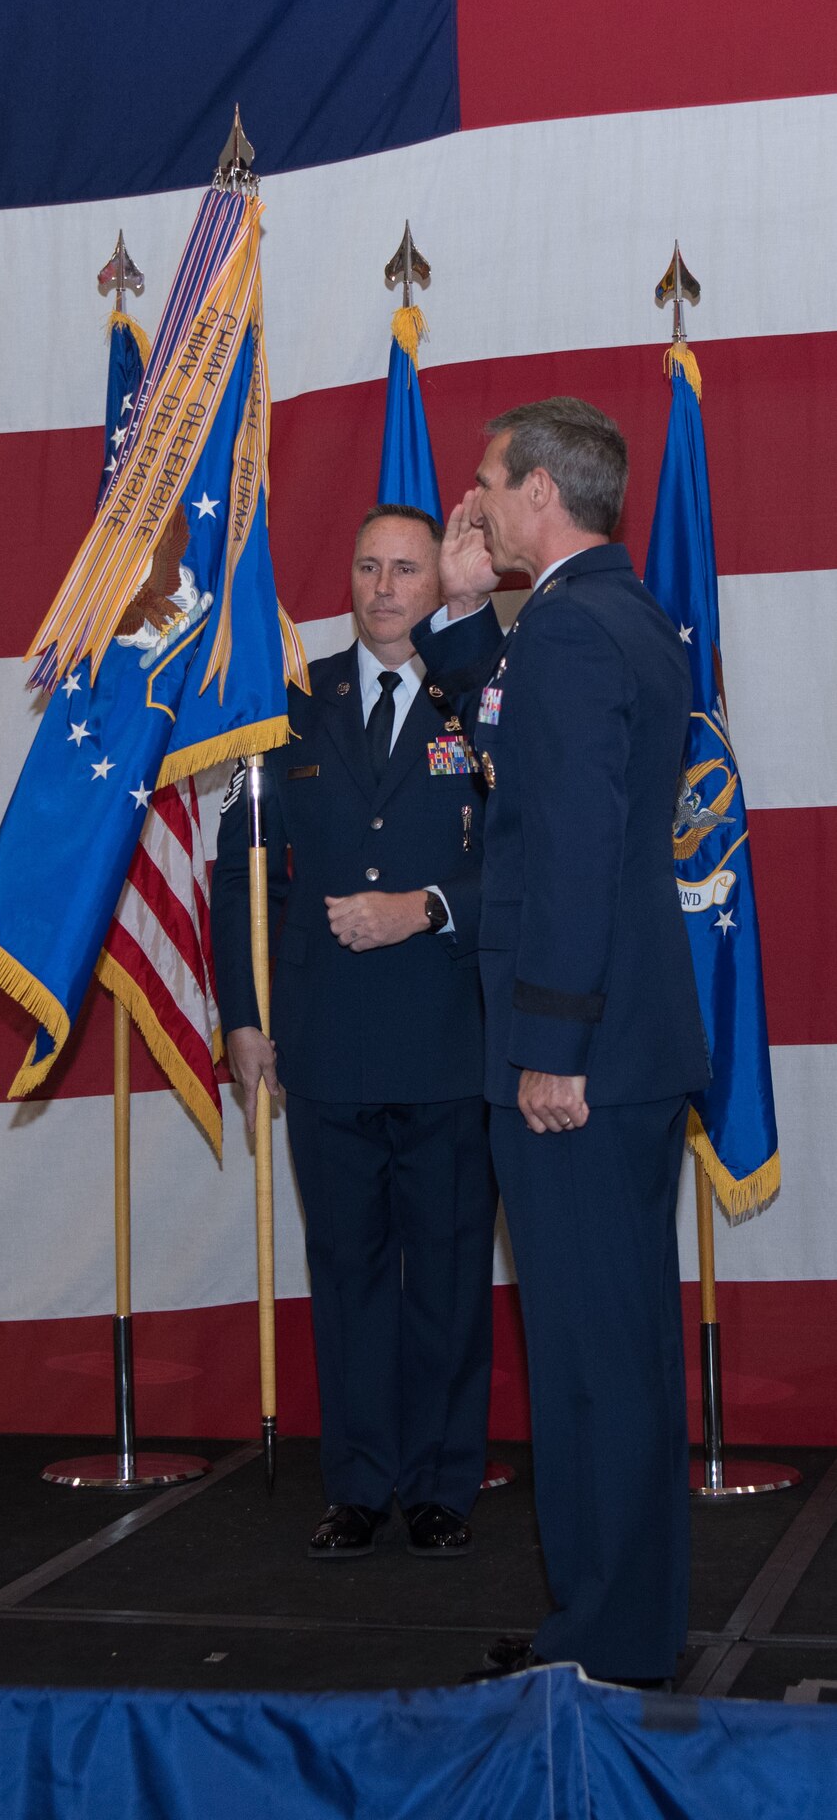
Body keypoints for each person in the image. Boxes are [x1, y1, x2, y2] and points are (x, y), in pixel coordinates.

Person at [413, 398, 709, 1687]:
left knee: (594, 1358)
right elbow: (503, 744)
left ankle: (608, 1638)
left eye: (485, 487)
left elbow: (574, 854)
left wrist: (552, 1045)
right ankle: (611, 1619)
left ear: (541, 491)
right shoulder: (617, 616)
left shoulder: (575, 634)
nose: (468, 508)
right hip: (626, 1047)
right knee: (613, 1345)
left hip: (582, 1055)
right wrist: (469, 603)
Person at [211, 505, 495, 1561]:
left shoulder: (482, 695)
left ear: (440, 579)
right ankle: (360, 1479)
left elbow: (524, 854)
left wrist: (424, 904)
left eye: (406, 568)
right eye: (367, 565)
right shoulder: (289, 706)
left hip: (448, 1035)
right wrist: (242, 1013)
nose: (384, 586)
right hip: (322, 1041)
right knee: (347, 1271)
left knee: (450, 1269)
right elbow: (239, 874)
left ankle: (440, 1482)